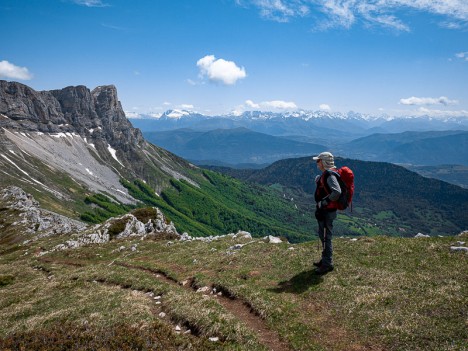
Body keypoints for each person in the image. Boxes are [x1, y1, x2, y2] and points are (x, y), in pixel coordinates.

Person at [313, 151, 341, 275]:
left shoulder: (330, 176)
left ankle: (327, 264)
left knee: (326, 237)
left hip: (327, 211)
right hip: (326, 211)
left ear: (324, 162)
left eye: (318, 160)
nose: (317, 162)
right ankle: (325, 260)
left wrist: (323, 203)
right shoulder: (327, 175)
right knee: (323, 236)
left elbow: (337, 192)